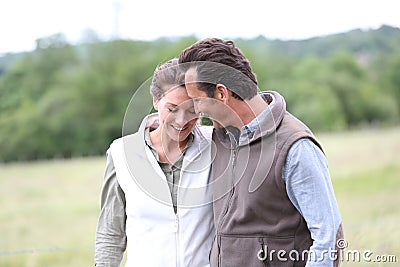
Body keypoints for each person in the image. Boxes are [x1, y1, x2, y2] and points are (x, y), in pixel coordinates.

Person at [178, 38, 344, 266]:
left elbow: (328, 237)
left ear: (221, 94)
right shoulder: (220, 137)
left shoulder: (294, 146)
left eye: (197, 100)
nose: (196, 110)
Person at [94, 58, 215, 266]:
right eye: (172, 108)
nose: (182, 120)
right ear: (155, 101)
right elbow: (110, 235)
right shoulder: (122, 153)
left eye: (192, 110)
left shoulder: (217, 145)